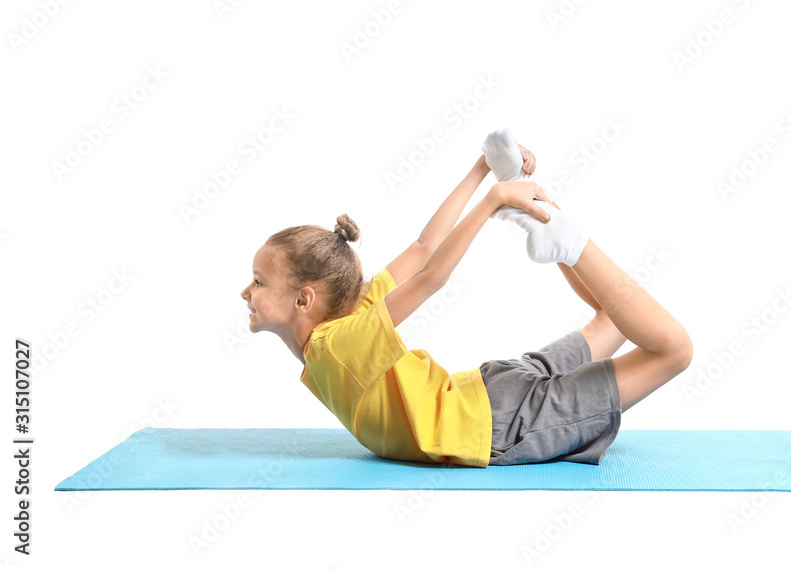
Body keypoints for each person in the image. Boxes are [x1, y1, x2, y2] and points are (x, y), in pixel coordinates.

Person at [240, 129, 693, 468]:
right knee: (612, 319)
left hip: (499, 423)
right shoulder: (351, 315)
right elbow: (423, 248)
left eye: (258, 281)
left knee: (674, 351)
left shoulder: (338, 344)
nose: (247, 291)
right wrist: (484, 171)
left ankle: (569, 242)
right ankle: (551, 223)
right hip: (488, 390)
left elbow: (431, 272)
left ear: (303, 299)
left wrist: (493, 195)